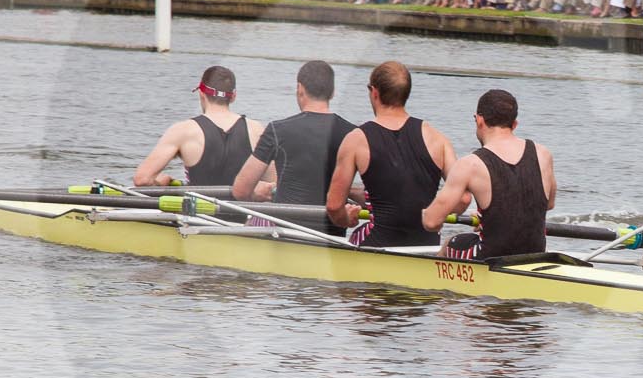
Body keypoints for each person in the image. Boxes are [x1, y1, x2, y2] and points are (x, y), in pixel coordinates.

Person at [324, 61, 455, 247]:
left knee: (356, 234)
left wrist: (347, 220)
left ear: (374, 92)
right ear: (406, 93)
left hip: (377, 243)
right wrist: (437, 214)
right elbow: (464, 198)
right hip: (427, 246)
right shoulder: (438, 138)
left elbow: (334, 206)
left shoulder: (356, 140)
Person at [421, 88, 556, 260]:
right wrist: (494, 217)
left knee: (451, 243)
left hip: (491, 258)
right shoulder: (543, 154)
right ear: (514, 124)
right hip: (536, 254)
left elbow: (431, 222)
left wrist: (425, 214)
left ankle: (439, 285)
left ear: (479, 120)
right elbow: (548, 203)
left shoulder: (470, 164)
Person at [231, 59, 355, 207]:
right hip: (330, 229)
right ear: (332, 92)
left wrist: (260, 194)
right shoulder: (354, 133)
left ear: (300, 88)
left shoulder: (277, 130)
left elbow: (240, 190)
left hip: (287, 227)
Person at [132, 65, 267, 187]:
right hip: (243, 212)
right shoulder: (257, 130)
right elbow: (274, 184)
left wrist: (161, 183)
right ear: (233, 97)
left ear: (201, 93)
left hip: (199, 212)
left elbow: (142, 179)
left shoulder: (183, 131)